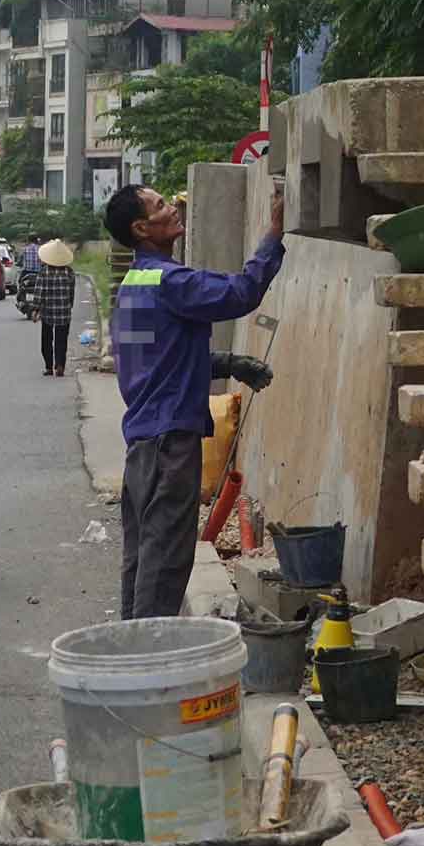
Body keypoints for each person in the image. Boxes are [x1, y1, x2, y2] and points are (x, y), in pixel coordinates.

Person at [104, 183, 284, 621]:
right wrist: (274, 233)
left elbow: (155, 360)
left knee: (142, 558)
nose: (174, 206)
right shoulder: (171, 281)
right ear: (141, 227)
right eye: (162, 204)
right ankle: (149, 658)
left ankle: (129, 650)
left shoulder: (133, 284)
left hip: (144, 440)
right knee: (164, 561)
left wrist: (226, 364)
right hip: (170, 443)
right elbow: (241, 293)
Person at [31, 239, 76, 377]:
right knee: (61, 340)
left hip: (48, 312)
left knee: (46, 340)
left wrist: (35, 309)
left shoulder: (44, 272)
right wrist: (69, 306)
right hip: (64, 312)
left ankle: (49, 367)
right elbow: (71, 293)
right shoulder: (69, 272)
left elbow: (39, 292)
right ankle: (60, 365)